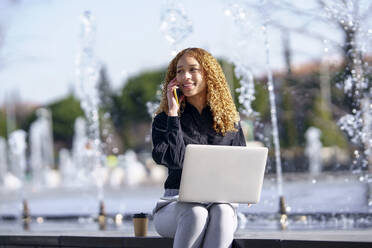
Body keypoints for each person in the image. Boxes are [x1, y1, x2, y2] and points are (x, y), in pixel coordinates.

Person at [151, 48, 246, 248]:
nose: (185, 76)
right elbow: (175, 160)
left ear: (208, 74)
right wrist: (174, 114)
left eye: (193, 69)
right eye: (179, 71)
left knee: (222, 211)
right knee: (196, 212)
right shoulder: (164, 120)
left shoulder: (230, 121)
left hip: (220, 204)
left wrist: (244, 189)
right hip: (175, 205)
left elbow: (242, 165)